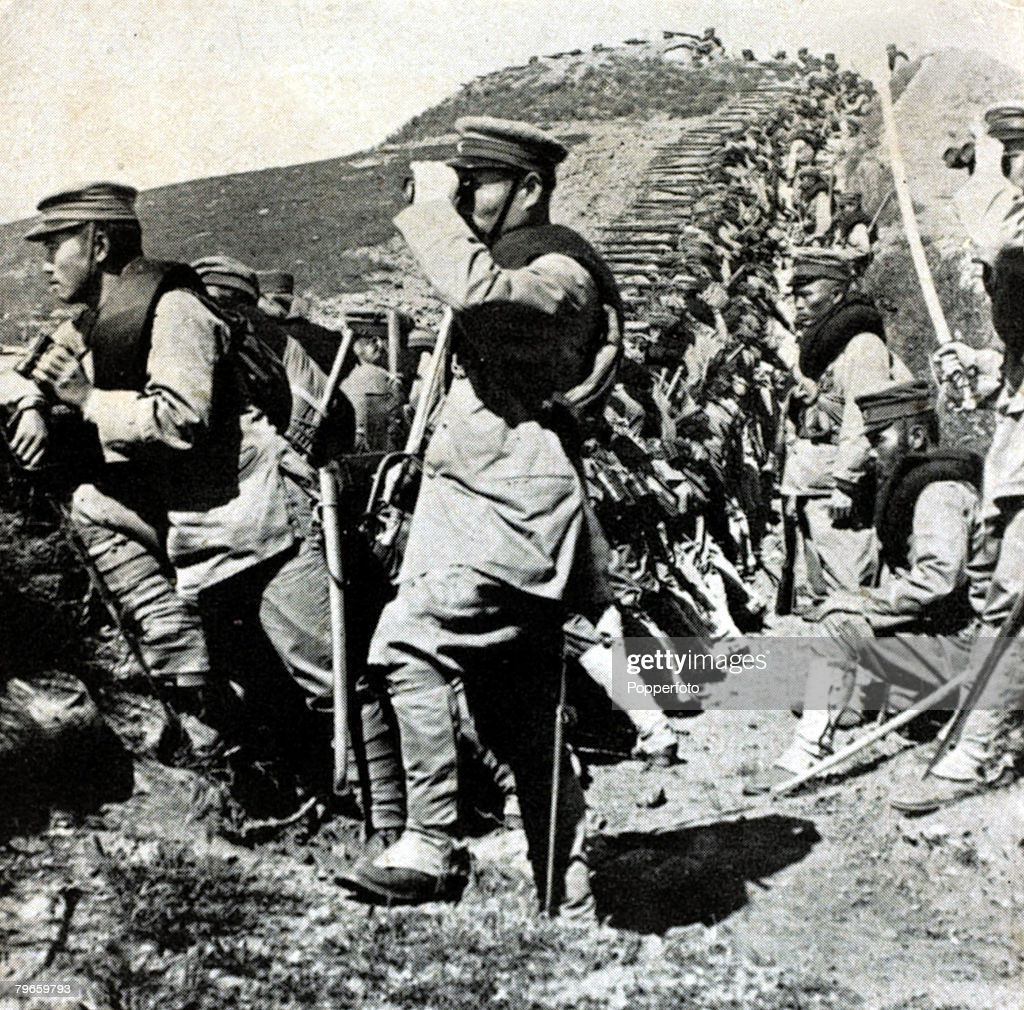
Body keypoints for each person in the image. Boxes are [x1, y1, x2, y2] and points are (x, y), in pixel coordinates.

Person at [16, 185, 403, 834]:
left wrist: (86, 401)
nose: (46, 262)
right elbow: (43, 364)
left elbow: (181, 419)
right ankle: (330, 806)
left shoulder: (176, 312)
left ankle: (398, 828)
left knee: (336, 678)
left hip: (266, 520)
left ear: (100, 244)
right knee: (263, 680)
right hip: (211, 532)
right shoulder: (104, 316)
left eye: (57, 245)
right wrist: (34, 403)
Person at [343, 117, 621, 914]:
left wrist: (433, 209)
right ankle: (571, 903)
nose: (465, 196)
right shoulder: (514, 263)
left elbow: (481, 296)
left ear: (529, 188)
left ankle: (430, 844)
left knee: (408, 641)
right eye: (459, 182)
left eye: (479, 183)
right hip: (481, 511)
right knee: (520, 716)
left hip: (513, 517)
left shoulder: (560, 271)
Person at [891, 103, 1024, 813]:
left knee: (1010, 598)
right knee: (999, 590)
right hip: (1017, 449)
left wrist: (986, 168)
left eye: (1016, 161)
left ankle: (979, 748)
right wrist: (985, 365)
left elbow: (1000, 237)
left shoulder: (1012, 234)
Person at [760, 381, 982, 786]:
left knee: (839, 626)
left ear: (916, 437)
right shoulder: (928, 485)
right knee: (839, 627)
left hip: (972, 651)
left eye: (880, 439)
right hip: (953, 638)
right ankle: (873, 698)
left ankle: (804, 755)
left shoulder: (938, 494)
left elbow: (938, 580)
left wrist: (859, 603)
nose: (873, 453)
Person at [779, 248, 907, 608]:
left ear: (836, 294)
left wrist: (846, 483)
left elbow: (864, 416)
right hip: (815, 484)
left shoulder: (862, 345)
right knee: (825, 590)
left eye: (807, 294)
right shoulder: (829, 345)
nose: (798, 304)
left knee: (848, 588)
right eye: (795, 295)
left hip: (838, 489)